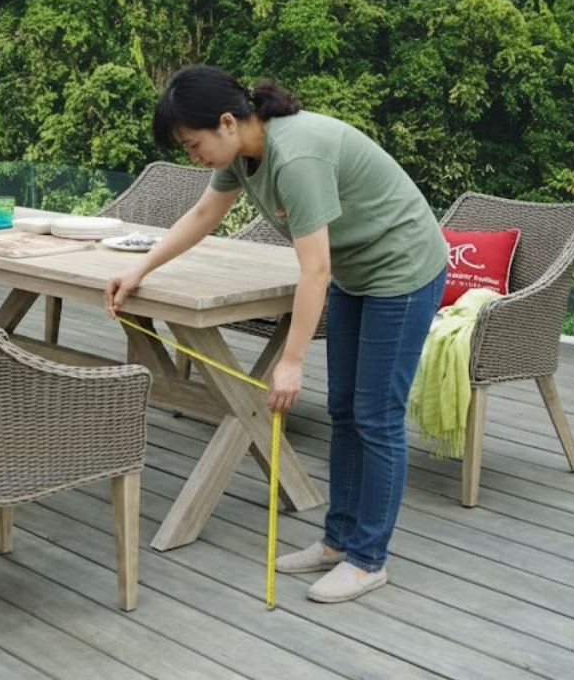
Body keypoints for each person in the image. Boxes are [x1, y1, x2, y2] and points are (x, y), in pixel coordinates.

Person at [105, 65, 447, 603]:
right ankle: (338, 540)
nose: (194, 157)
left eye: (194, 145)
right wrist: (139, 270)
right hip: (359, 274)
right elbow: (201, 216)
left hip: (403, 271)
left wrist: (291, 362)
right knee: (345, 410)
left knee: (376, 417)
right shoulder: (242, 154)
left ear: (226, 121)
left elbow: (314, 271)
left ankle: (367, 558)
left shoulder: (296, 157)